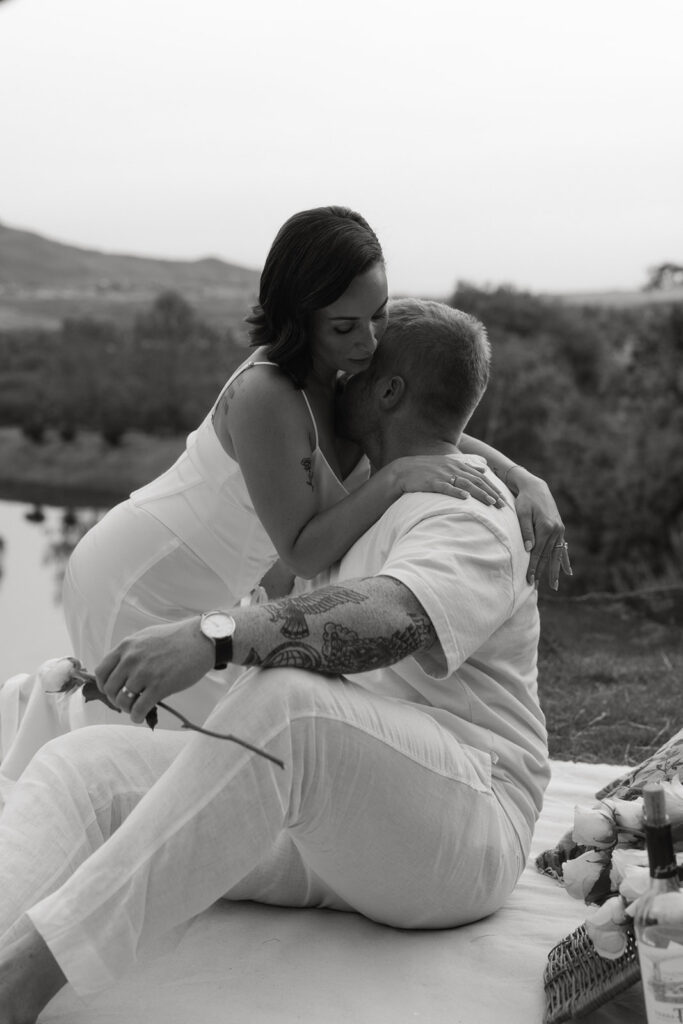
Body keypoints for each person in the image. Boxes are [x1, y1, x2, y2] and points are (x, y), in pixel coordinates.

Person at [0, 299, 553, 1022]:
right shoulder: (373, 486)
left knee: (286, 700)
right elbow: (434, 424)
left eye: (354, 368)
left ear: (385, 393)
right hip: (346, 822)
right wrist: (519, 467)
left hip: (464, 825)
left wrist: (211, 636)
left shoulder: (469, 513)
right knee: (86, 765)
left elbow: (389, 619)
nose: (332, 376)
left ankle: (22, 982)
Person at [0, 207, 567, 785]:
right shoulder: (268, 393)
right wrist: (393, 481)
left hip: (212, 595)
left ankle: (52, 727)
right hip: (140, 582)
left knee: (227, 760)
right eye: (346, 326)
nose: (369, 341)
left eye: (377, 316)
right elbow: (301, 551)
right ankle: (42, 749)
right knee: (185, 768)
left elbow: (422, 426)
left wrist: (524, 478)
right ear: (300, 318)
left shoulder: (342, 366)